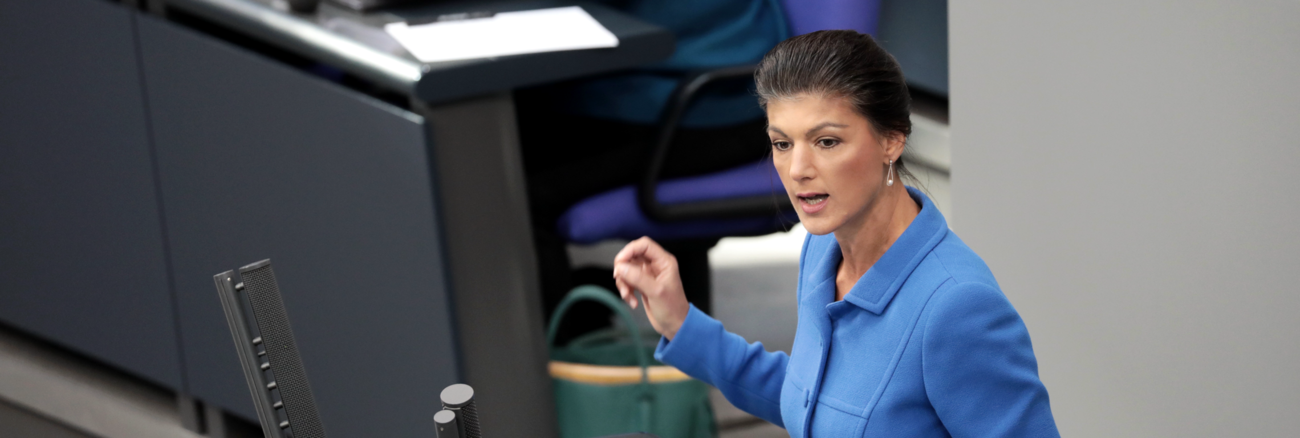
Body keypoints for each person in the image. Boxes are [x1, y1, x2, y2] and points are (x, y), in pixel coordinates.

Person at [612, 30, 1060, 437]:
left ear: (892, 140)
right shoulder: (823, 249)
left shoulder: (956, 307)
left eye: (826, 142)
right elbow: (810, 403)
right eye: (782, 144)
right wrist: (680, 321)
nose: (797, 170)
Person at [516, 0, 790, 341]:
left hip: (708, 99)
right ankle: (568, 310)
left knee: (510, 185)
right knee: (501, 146)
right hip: (689, 72)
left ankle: (554, 372)